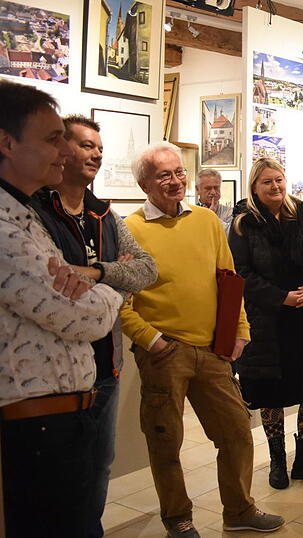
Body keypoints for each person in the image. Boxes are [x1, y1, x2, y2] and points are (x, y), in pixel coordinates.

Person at [120, 142, 284, 537]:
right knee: (166, 443)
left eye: (179, 172)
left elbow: (229, 281)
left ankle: (239, 510)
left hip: (213, 350)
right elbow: (119, 300)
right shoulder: (128, 229)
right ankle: (178, 518)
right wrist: (152, 340)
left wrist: (239, 331)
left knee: (236, 434)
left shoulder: (207, 221)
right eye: (164, 175)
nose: (176, 181)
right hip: (164, 353)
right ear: (144, 183)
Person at [0, 80, 125, 537]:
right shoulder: (6, 227)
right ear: (7, 143)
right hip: (35, 428)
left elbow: (143, 270)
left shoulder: (27, 216)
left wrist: (94, 279)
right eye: (54, 138)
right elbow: (81, 315)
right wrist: (110, 288)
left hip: (60, 419)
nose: (68, 151)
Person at [29, 114, 158, 538]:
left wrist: (100, 273)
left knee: (98, 465)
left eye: (99, 148)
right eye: (86, 146)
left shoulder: (104, 215)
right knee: (56, 475)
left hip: (106, 364)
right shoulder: (35, 211)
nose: (96, 154)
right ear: (60, 150)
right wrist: (115, 285)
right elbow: (54, 289)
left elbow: (147, 270)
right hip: (54, 371)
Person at [229, 157, 303, 489]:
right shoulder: (243, 224)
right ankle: (277, 462)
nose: (275, 186)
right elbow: (242, 275)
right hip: (266, 322)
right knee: (271, 394)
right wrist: (282, 297)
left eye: (279, 179)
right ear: (255, 187)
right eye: (267, 182)